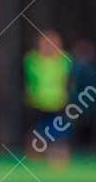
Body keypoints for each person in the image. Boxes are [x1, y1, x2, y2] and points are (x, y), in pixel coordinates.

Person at [23, 29, 71, 162]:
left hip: (57, 102)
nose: (50, 46)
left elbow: (67, 78)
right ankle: (35, 154)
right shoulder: (32, 60)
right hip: (38, 102)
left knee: (58, 130)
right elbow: (30, 79)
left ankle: (58, 156)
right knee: (39, 130)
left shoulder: (63, 60)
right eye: (46, 43)